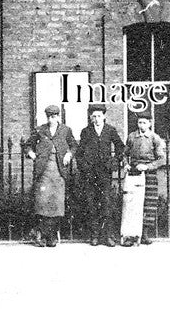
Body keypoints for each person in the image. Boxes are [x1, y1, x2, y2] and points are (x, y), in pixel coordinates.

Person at [24, 104, 77, 247]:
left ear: (59, 117)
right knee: (42, 203)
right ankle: (41, 235)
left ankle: (52, 235)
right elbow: (28, 145)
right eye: (49, 117)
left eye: (54, 117)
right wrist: (32, 154)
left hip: (59, 172)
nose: (51, 120)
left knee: (57, 204)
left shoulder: (66, 130)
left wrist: (68, 154)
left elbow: (74, 146)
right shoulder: (40, 130)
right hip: (44, 171)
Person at [74, 105, 125, 246]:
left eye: (99, 116)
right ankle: (94, 235)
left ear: (104, 116)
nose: (96, 119)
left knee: (106, 203)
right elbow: (79, 153)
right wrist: (84, 167)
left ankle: (108, 236)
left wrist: (114, 162)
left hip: (105, 173)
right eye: (94, 116)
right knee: (91, 204)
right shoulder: (86, 132)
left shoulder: (110, 130)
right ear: (91, 117)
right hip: (90, 174)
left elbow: (121, 147)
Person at [121, 114, 166, 246]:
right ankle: (131, 235)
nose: (141, 125)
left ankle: (144, 234)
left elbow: (161, 159)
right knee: (132, 203)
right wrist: (127, 164)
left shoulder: (154, 138)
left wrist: (147, 166)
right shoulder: (131, 137)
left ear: (150, 124)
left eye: (144, 123)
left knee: (148, 203)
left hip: (149, 174)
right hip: (134, 173)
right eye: (140, 122)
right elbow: (124, 154)